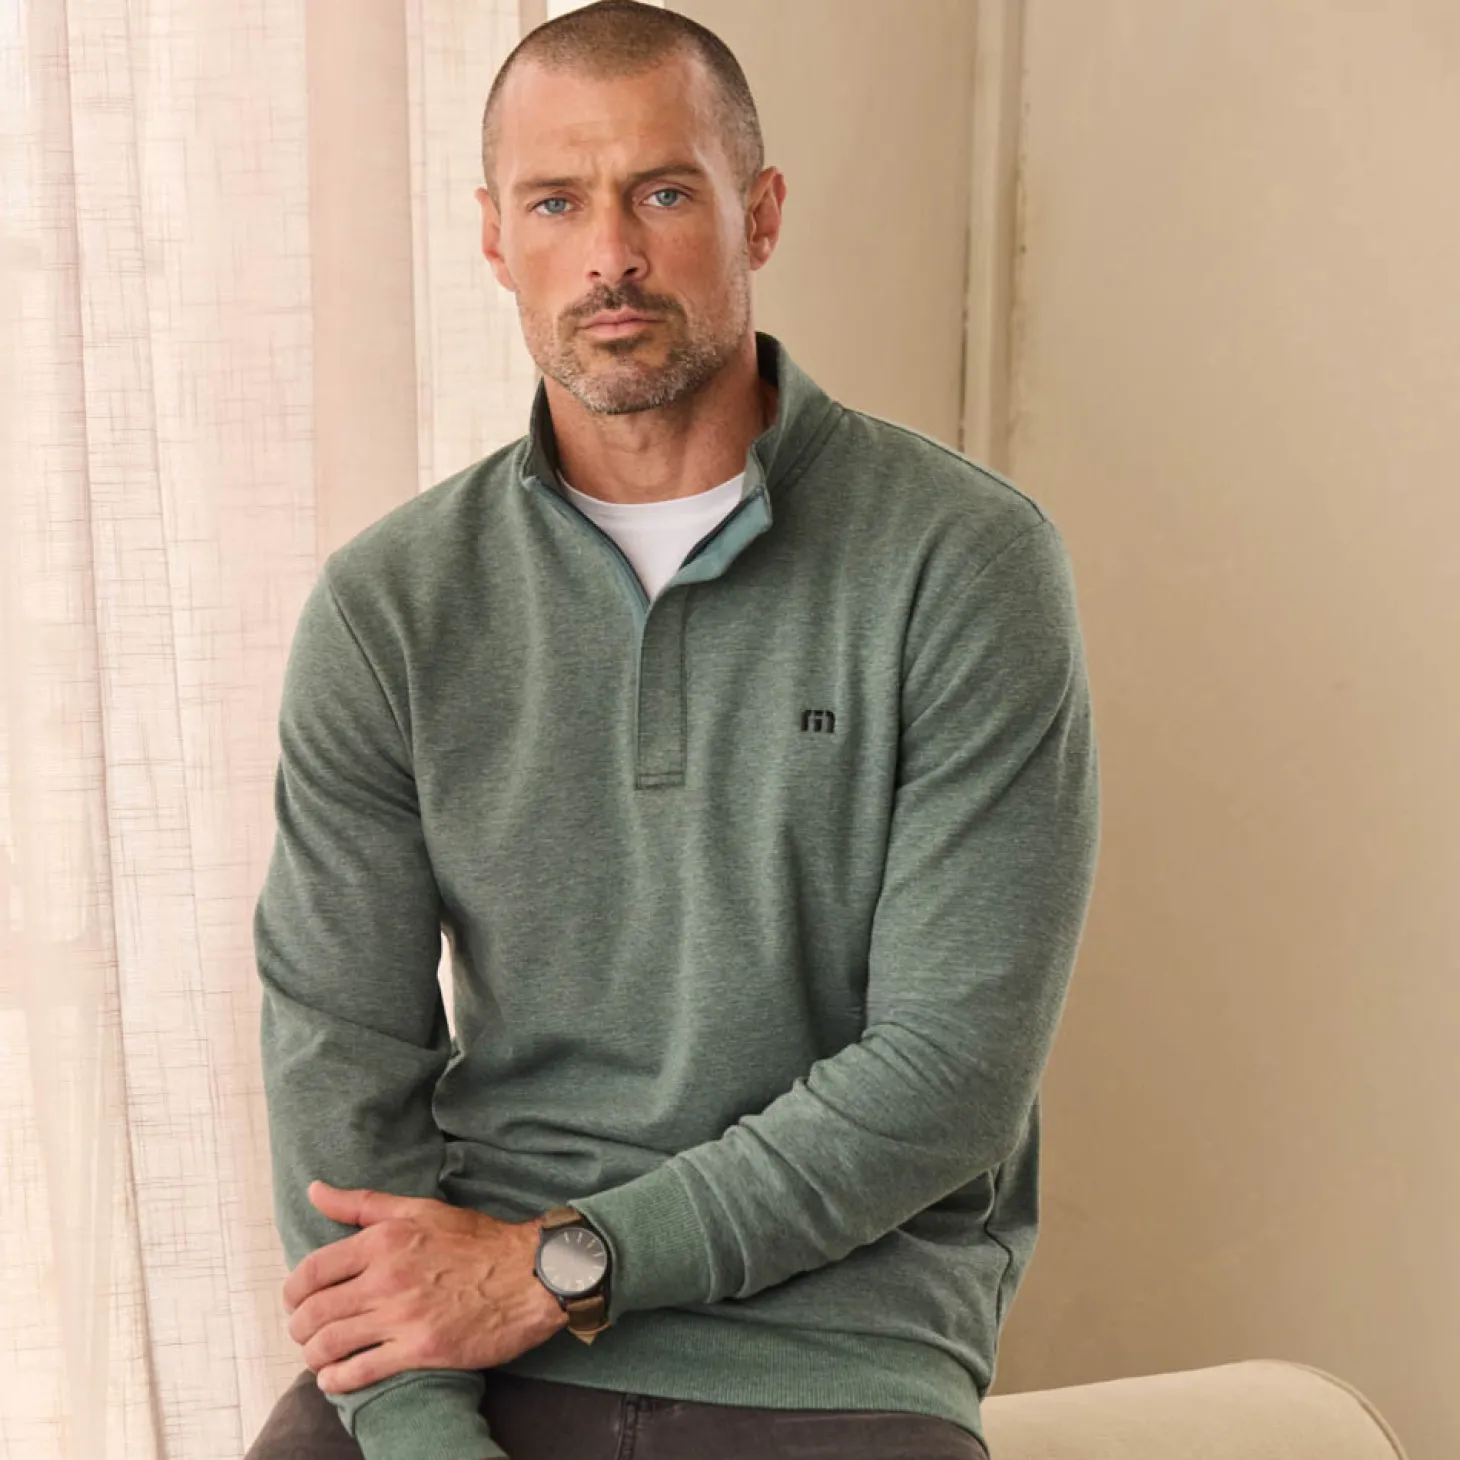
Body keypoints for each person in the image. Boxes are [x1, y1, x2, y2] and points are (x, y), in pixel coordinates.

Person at [245, 3, 1100, 1458]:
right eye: (555, 202)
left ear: (758, 213)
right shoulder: (390, 606)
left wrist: (559, 1265)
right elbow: (341, 1061)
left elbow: (950, 1075)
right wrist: (421, 1422)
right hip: (468, 1330)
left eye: (660, 192)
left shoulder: (963, 565)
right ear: (492, 236)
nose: (609, 255)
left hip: (837, 1347)